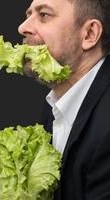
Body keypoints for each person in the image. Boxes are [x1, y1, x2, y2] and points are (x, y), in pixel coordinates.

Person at [18, 0, 110, 199]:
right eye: (28, 14)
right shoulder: (56, 103)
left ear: (89, 34)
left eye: (44, 15)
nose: (23, 27)